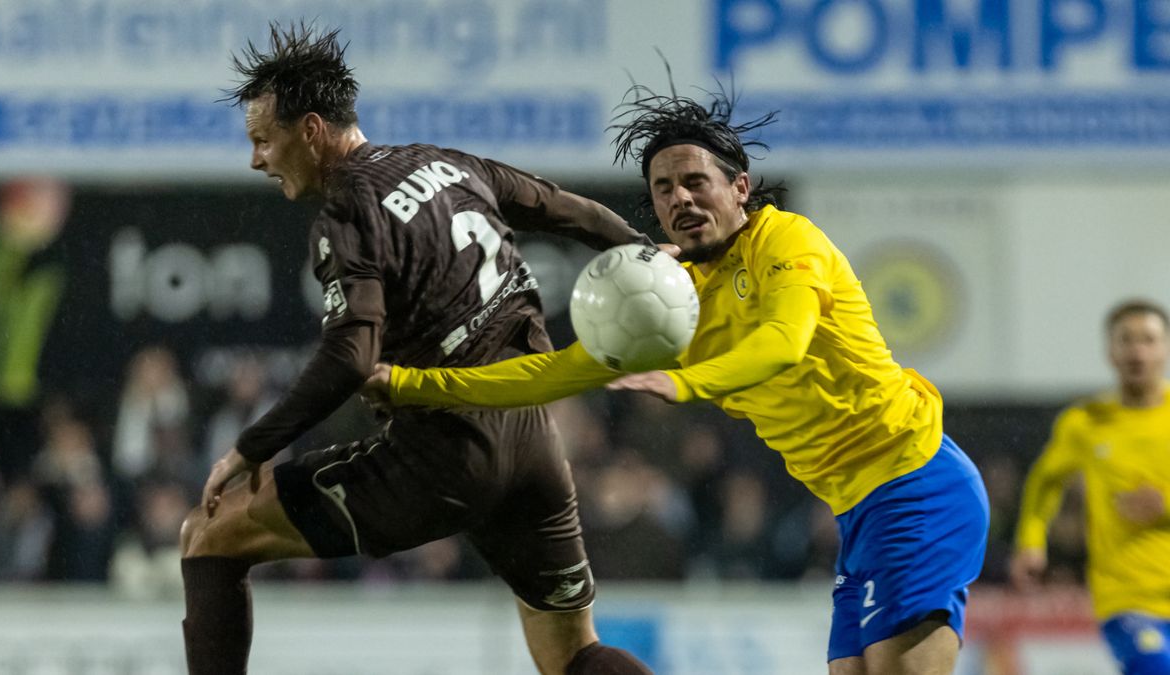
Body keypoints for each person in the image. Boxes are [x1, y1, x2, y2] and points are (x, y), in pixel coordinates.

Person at [366, 80, 990, 675]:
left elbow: (783, 341)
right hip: (860, 512)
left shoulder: (785, 239)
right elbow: (550, 373)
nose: (680, 198)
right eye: (663, 188)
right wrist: (409, 384)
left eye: (696, 181)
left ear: (740, 186)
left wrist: (688, 383)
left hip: (918, 486)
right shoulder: (672, 299)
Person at [179, 23, 655, 675]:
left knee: (209, 534)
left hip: (445, 457)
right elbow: (566, 209)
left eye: (264, 139)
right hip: (536, 445)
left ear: (311, 130)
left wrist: (250, 445)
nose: (257, 159)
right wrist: (650, 257)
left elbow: (351, 351)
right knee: (575, 653)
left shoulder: (349, 212)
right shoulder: (449, 164)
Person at [1011, 300, 1170, 675]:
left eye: (1148, 340)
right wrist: (1032, 542)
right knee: (1154, 667)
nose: (1138, 351)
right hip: (1128, 596)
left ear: (1164, 348)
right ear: (1110, 352)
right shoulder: (1085, 423)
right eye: (1126, 340)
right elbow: (1045, 480)